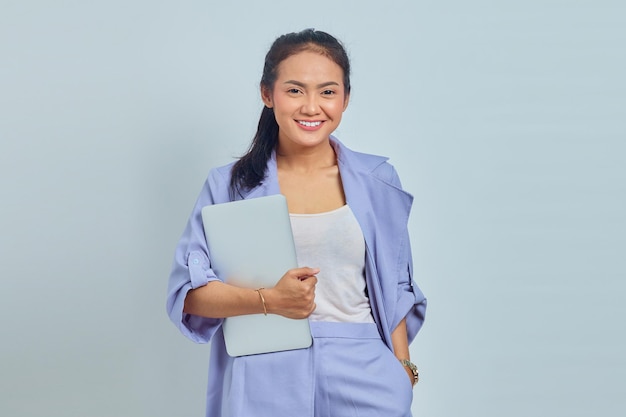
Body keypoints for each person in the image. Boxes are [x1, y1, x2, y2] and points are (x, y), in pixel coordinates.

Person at [166, 29, 427, 417]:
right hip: (263, 370)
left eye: (327, 91)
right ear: (267, 94)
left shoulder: (378, 180)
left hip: (363, 367)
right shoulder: (228, 185)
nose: (311, 107)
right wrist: (270, 300)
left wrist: (403, 372)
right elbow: (189, 294)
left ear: (345, 99)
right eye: (294, 90)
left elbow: (397, 288)